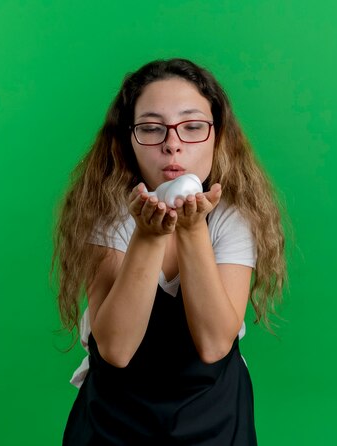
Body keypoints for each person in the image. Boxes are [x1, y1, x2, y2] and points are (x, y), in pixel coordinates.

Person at [52, 58, 287, 445]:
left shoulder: (233, 219)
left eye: (192, 127)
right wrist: (147, 236)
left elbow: (214, 344)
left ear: (218, 136)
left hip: (213, 418)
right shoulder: (107, 216)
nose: (172, 143)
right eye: (151, 128)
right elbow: (115, 348)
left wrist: (193, 229)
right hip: (113, 422)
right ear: (128, 139)